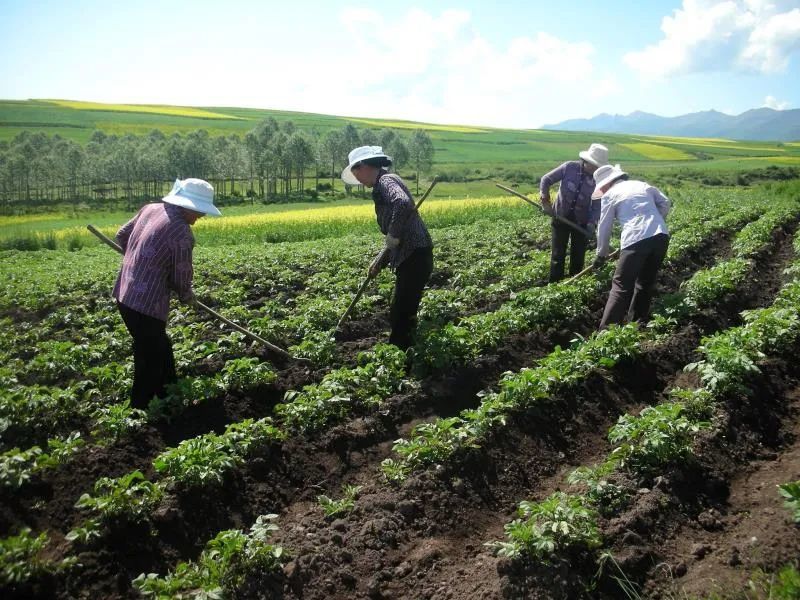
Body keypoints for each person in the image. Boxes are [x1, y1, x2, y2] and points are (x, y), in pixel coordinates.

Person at [113, 178, 221, 409]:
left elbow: (122, 235)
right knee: (149, 356)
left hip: (125, 294)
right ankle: (140, 407)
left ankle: (170, 390)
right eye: (199, 213)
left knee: (159, 345)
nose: (199, 218)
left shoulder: (150, 208)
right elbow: (181, 274)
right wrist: (186, 294)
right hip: (146, 303)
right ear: (187, 206)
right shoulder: (181, 231)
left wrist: (138, 261)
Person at [342, 146, 433, 351]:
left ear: (364, 166)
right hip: (413, 255)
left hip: (415, 256)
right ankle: (409, 350)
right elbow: (394, 238)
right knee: (403, 310)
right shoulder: (382, 185)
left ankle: (399, 356)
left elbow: (402, 204)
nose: (357, 178)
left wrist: (392, 235)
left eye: (356, 172)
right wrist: (379, 262)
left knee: (400, 312)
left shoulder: (385, 181)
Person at [591, 164, 670, 328]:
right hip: (661, 235)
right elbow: (665, 203)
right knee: (645, 282)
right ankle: (637, 324)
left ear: (606, 183)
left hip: (635, 238)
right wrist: (655, 222)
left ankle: (606, 333)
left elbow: (604, 227)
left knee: (620, 285)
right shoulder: (642, 185)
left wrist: (601, 254)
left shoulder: (610, 195)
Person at [539, 143, 609, 282]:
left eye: (598, 166)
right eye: (594, 165)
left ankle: (574, 282)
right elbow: (546, 180)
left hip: (581, 222)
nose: (595, 168)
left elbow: (596, 205)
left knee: (578, 256)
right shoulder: (569, 167)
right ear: (586, 161)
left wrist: (591, 223)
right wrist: (546, 202)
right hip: (560, 217)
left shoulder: (598, 180)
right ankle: (555, 283)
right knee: (558, 254)